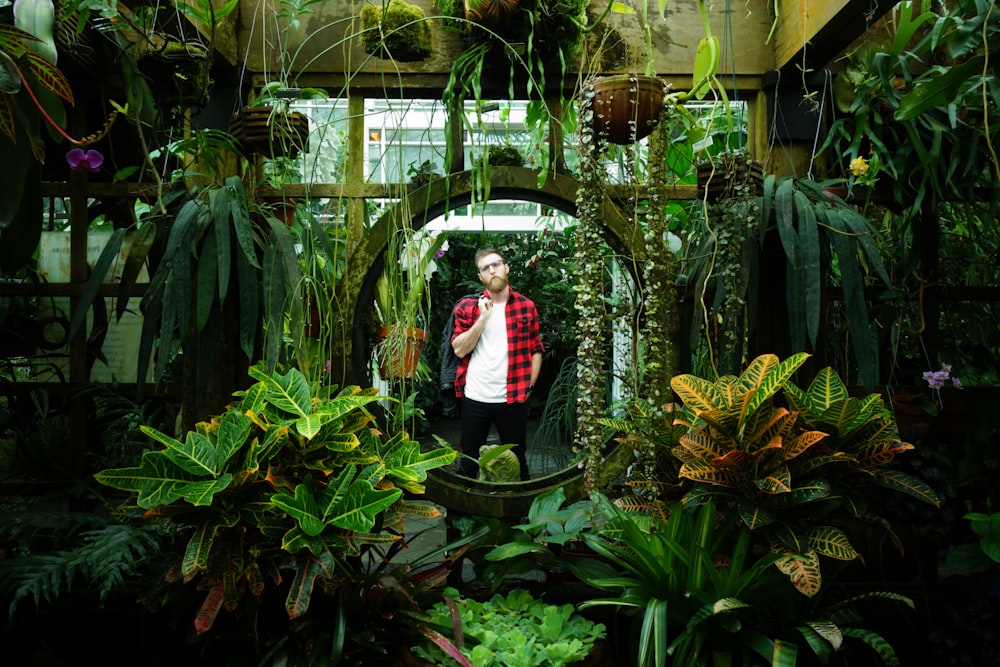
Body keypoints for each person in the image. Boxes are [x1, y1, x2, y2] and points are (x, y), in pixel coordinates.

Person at [450, 248, 543, 480]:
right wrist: (482, 318)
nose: (492, 270)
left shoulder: (526, 306)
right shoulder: (467, 308)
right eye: (485, 268)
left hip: (512, 398)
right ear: (480, 276)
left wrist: (529, 388)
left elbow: (536, 350)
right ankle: (463, 514)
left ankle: (520, 515)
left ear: (506, 268)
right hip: (475, 397)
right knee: (469, 462)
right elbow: (459, 348)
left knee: (518, 460)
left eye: (496, 264)